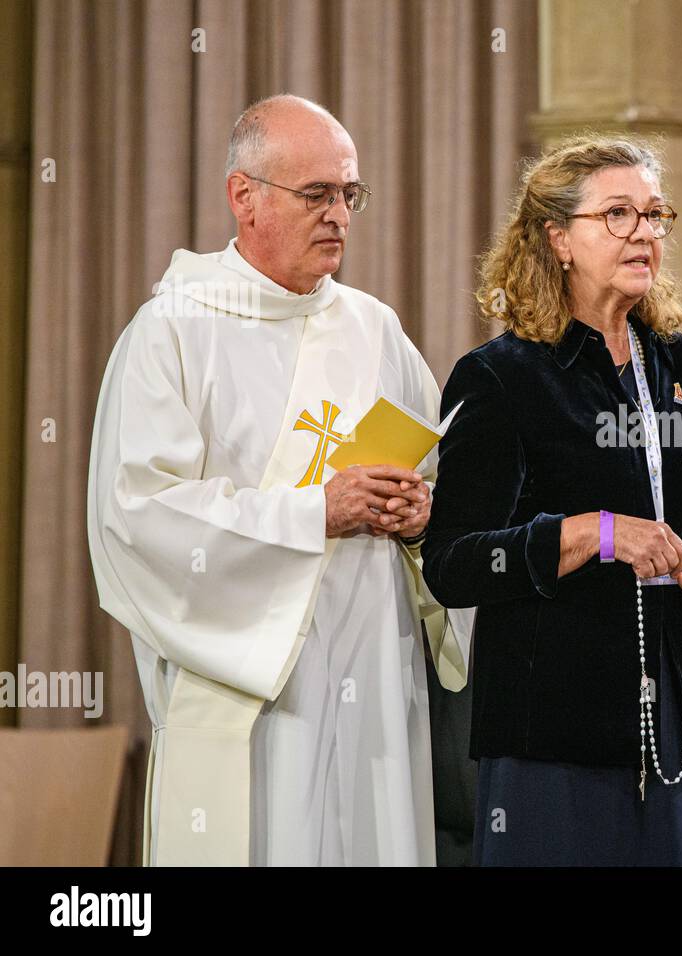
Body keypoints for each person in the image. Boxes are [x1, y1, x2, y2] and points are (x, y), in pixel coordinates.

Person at [87, 94, 468, 866]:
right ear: (243, 196)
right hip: (256, 695)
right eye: (316, 194)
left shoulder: (376, 330)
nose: (339, 215)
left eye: (349, 194)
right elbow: (138, 515)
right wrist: (312, 513)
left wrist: (422, 517)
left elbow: (442, 484)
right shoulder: (174, 329)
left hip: (376, 680)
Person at [422, 135, 682, 865]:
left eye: (654, 214)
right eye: (617, 214)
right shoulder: (502, 377)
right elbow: (451, 563)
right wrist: (593, 534)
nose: (644, 232)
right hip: (559, 740)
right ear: (557, 238)